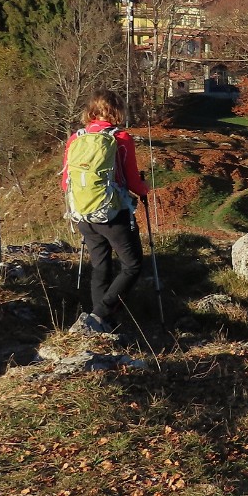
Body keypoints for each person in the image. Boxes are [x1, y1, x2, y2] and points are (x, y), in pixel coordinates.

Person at [62, 90, 149, 326]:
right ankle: (100, 314)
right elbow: (133, 182)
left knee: (101, 265)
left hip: (83, 214)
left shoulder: (75, 138)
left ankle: (99, 323)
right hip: (112, 214)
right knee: (132, 265)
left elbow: (65, 181)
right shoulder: (120, 138)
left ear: (91, 110)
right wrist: (144, 188)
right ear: (117, 110)